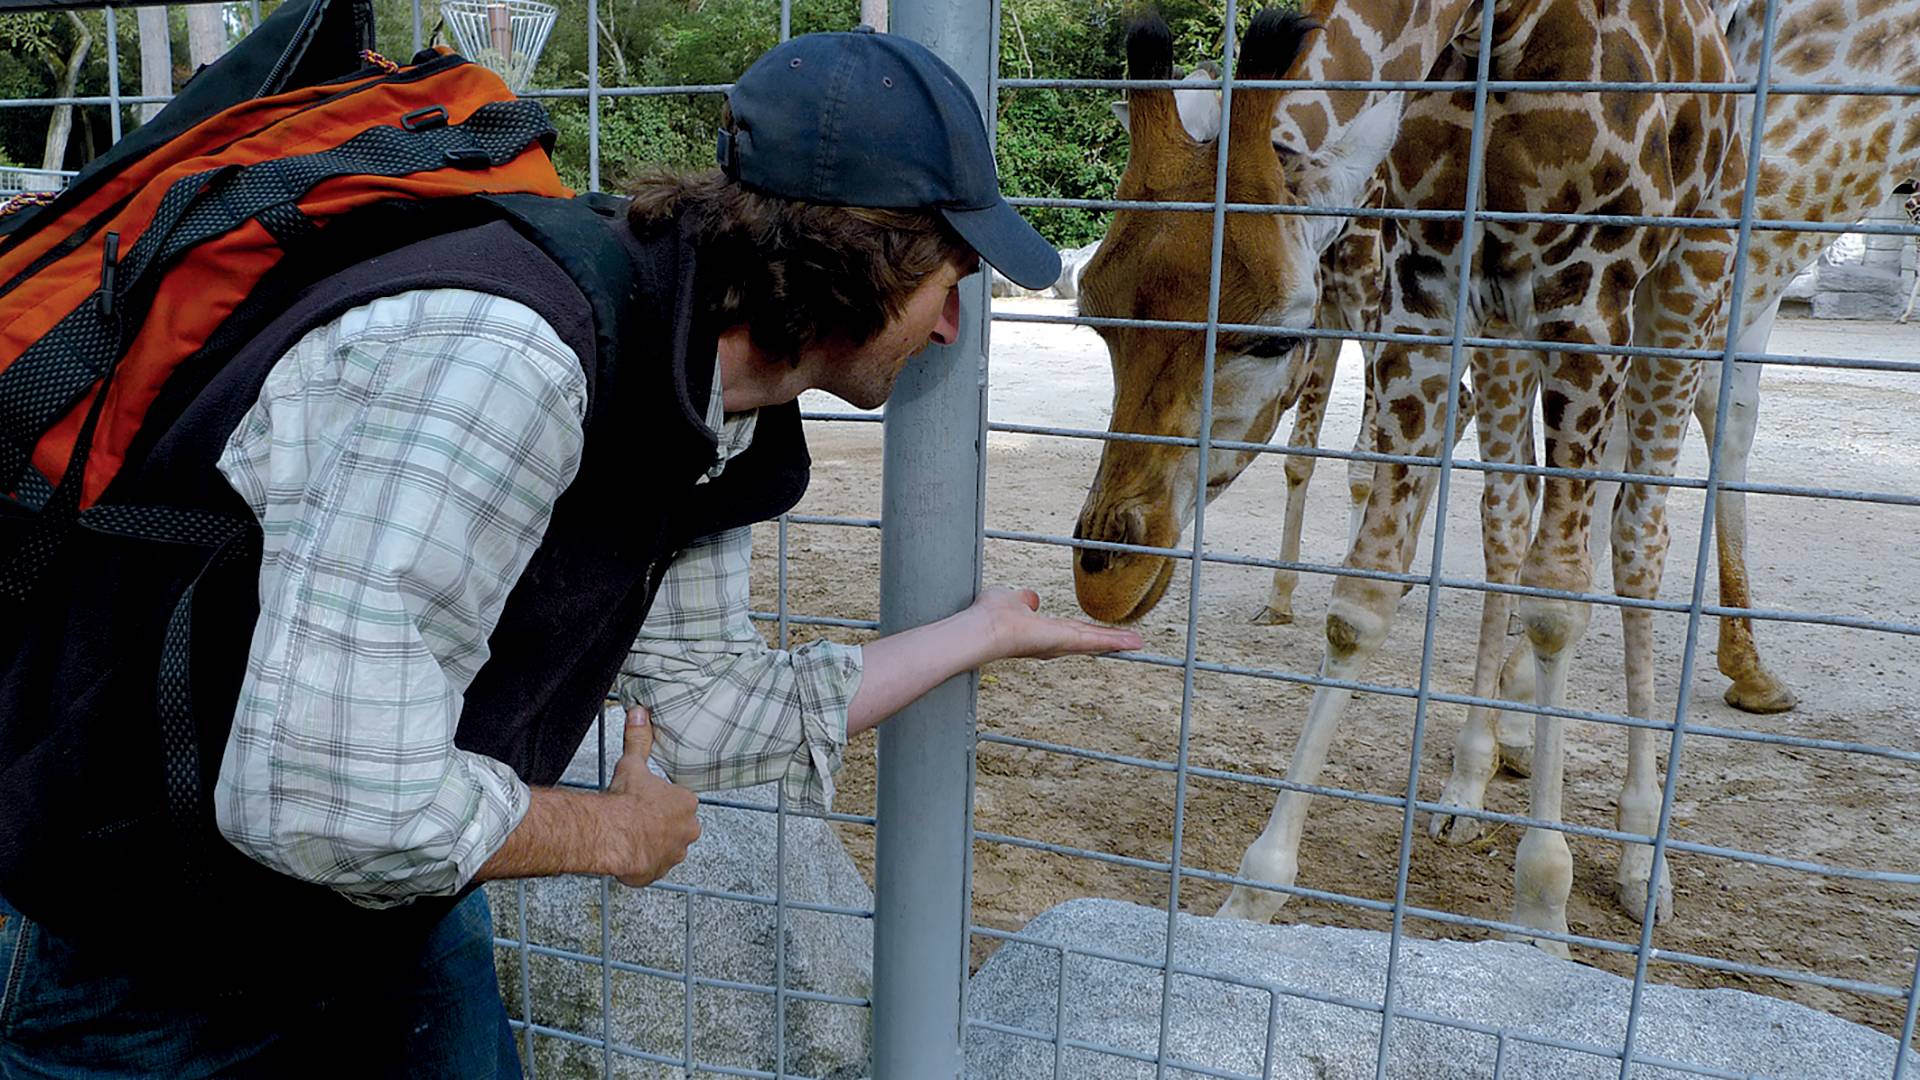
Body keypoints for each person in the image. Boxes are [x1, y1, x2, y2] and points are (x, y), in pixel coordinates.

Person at [0, 25, 1140, 1080]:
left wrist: (978, 632)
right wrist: (604, 833)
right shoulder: (505, 360)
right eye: (948, 284)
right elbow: (325, 798)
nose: (952, 326)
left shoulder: (705, 395)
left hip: (384, 913)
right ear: (867, 265)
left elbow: (696, 708)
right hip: (153, 939)